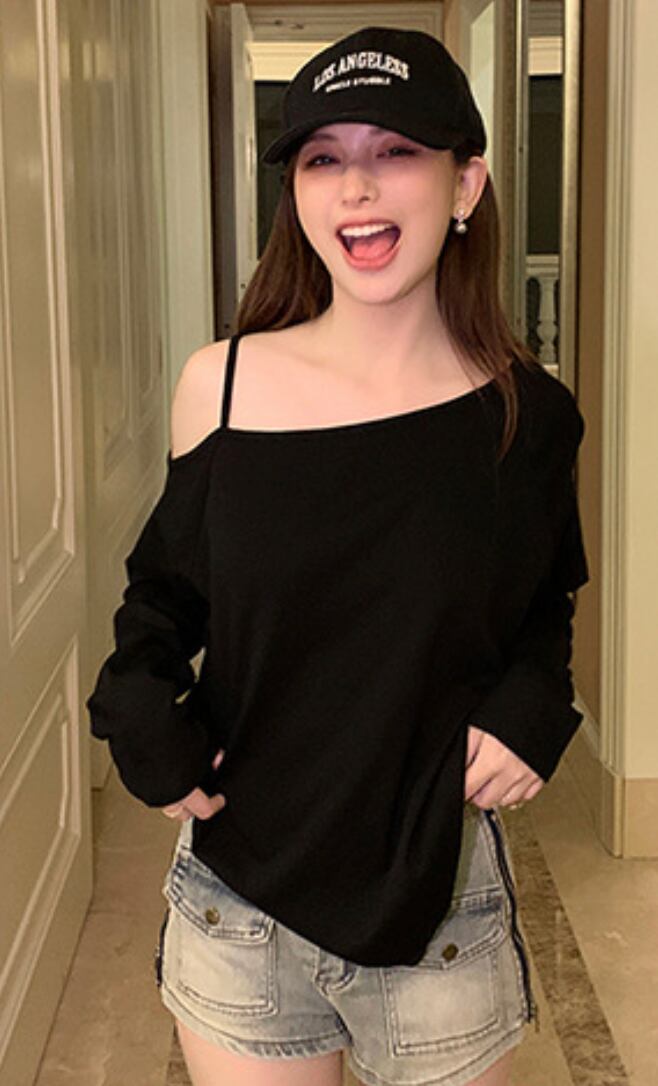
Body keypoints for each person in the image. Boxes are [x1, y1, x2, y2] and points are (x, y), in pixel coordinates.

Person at [88, 26, 589, 1086]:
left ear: (465, 183)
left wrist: (534, 709)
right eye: (323, 158)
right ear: (298, 195)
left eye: (395, 149)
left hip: (439, 904)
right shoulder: (221, 385)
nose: (356, 186)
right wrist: (139, 710)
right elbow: (162, 598)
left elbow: (543, 606)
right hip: (238, 909)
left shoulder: (527, 416)